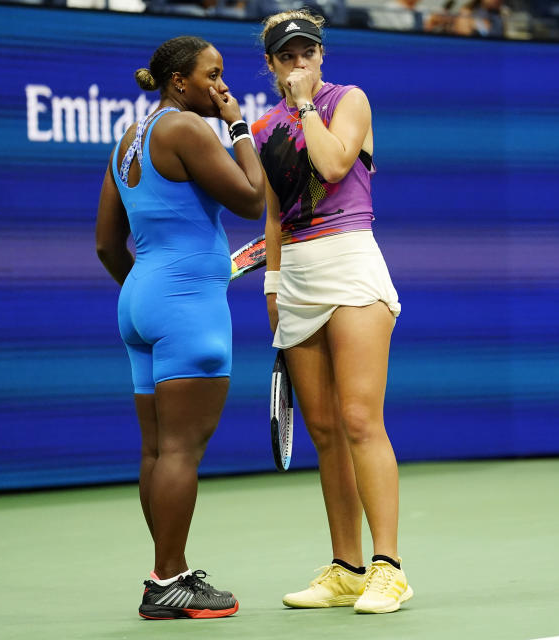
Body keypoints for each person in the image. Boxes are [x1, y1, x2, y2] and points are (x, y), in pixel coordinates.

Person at [95, 35, 265, 620]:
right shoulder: (190, 130)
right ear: (178, 82)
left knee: (157, 449)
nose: (221, 85)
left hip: (142, 301)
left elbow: (104, 243)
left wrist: (152, 296)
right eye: (212, 74)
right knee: (182, 450)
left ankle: (171, 569)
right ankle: (167, 579)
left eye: (224, 76)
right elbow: (251, 200)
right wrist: (239, 126)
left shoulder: (128, 141)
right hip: (186, 306)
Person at [250, 10, 413, 615]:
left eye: (307, 53)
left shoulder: (349, 101)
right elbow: (273, 213)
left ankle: (388, 567)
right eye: (286, 56)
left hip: (351, 266)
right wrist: (271, 284)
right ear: (270, 64)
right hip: (295, 274)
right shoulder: (265, 128)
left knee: (359, 418)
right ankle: (346, 566)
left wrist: (306, 107)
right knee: (322, 429)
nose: (298, 63)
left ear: (321, 56)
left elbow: (333, 166)